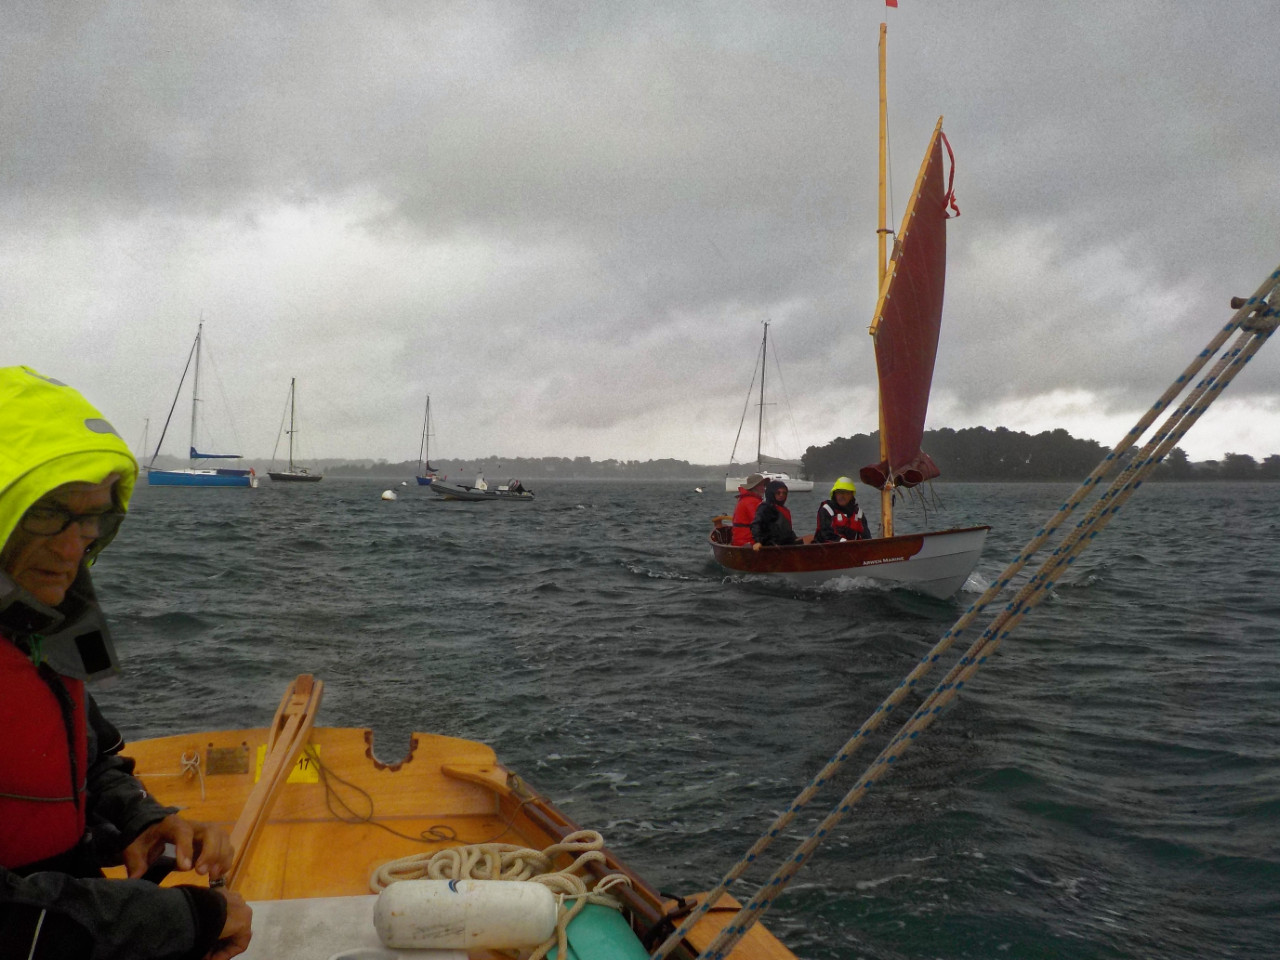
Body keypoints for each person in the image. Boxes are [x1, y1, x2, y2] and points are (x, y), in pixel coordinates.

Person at [0, 366, 252, 960]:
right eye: (47, 513)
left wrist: (140, 821)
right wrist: (175, 920)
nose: (73, 547)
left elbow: (83, 764)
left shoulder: (31, 630)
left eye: (93, 519)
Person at [813, 477, 872, 543]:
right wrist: (843, 542)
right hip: (827, 550)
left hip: (853, 550)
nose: (842, 496)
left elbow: (866, 537)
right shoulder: (827, 510)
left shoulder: (859, 514)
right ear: (834, 494)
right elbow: (825, 534)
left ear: (851, 495)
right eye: (839, 493)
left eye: (846, 493)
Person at [750, 479, 802, 549]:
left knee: (808, 538)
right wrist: (758, 541)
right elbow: (756, 525)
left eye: (784, 493)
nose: (781, 495)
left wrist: (794, 538)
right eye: (778, 493)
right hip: (771, 545)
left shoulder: (784, 510)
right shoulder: (765, 508)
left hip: (785, 544)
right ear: (771, 493)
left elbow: (787, 530)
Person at [730, 473, 767, 546]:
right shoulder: (752, 501)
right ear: (754, 487)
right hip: (748, 542)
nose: (764, 488)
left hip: (740, 540)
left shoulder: (745, 499)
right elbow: (759, 523)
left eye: (764, 485)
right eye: (761, 485)